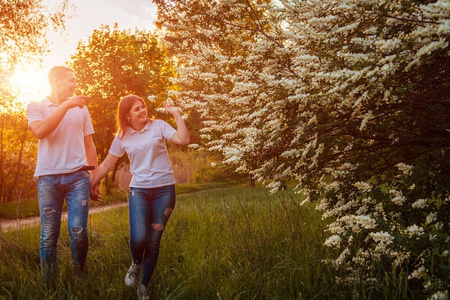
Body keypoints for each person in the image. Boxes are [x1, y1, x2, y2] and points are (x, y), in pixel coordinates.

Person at [90, 94, 189, 299]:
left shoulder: (159, 126)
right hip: (139, 191)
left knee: (153, 240)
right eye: (137, 109)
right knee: (139, 236)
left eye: (142, 106)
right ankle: (136, 262)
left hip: (164, 190)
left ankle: (143, 287)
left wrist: (177, 115)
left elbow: (183, 140)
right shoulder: (121, 137)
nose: (143, 110)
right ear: (126, 115)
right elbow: (107, 164)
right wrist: (92, 183)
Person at [26, 66, 98, 277]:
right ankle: (49, 283)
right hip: (48, 178)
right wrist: (66, 105)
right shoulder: (36, 107)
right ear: (56, 81)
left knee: (79, 231)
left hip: (78, 177)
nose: (75, 85)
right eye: (71, 80)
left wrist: (95, 179)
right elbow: (40, 131)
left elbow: (90, 145)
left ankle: (80, 275)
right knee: (49, 234)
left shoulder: (81, 108)